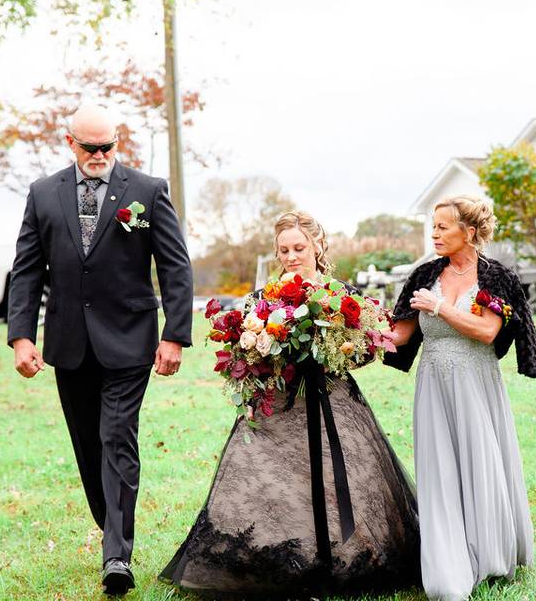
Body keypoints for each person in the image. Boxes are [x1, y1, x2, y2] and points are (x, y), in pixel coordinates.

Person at [160, 210, 420, 599]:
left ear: (317, 246)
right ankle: (282, 560)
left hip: (332, 401)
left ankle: (339, 559)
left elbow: (367, 349)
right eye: (284, 249)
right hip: (279, 404)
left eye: (299, 247)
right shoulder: (262, 300)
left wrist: (341, 349)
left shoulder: (340, 294)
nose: (291, 256)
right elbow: (245, 354)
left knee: (337, 482)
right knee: (275, 482)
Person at [6, 103, 193, 595]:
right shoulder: (43, 194)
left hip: (130, 340)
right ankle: (110, 520)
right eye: (90, 147)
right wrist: (22, 335)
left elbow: (175, 266)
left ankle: (117, 556)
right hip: (67, 343)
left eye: (108, 145)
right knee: (89, 447)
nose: (100, 155)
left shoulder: (148, 191)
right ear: (70, 142)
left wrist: (175, 333)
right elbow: (27, 270)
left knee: (116, 437)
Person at [386, 195, 536, 601]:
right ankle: (446, 565)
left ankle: (489, 555)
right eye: (432, 226)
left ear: (470, 232)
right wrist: (347, 327)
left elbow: (487, 331)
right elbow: (399, 335)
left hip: (476, 383)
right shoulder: (424, 274)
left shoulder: (496, 277)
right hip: (433, 385)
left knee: (481, 462)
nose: (434, 233)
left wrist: (439, 306)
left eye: (443, 226)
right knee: (439, 469)